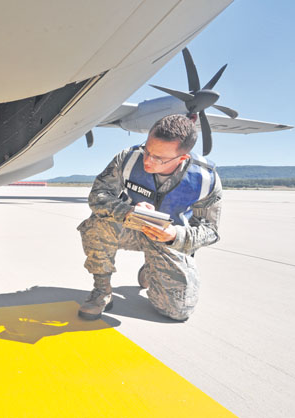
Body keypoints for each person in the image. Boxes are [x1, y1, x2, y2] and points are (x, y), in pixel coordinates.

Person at [77, 114, 222, 321]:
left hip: (168, 241)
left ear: (182, 158)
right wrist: (127, 211)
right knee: (97, 223)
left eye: (159, 158)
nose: (147, 161)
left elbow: (211, 231)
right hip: (130, 227)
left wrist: (175, 235)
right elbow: (98, 196)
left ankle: (152, 268)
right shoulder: (128, 159)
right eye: (147, 150)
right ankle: (102, 291)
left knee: (177, 312)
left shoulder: (205, 179)